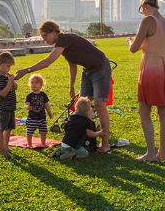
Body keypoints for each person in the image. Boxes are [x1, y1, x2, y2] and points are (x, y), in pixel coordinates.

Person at [15, 20, 113, 152]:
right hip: (88, 70)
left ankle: (105, 143)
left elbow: (48, 61)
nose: (44, 39)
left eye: (45, 35)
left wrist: (26, 70)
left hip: (101, 67)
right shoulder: (63, 46)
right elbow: (72, 65)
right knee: (82, 105)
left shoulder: (64, 38)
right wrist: (71, 86)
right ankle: (83, 138)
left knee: (100, 105)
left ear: (54, 31)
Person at [127, 0, 165, 162]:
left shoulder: (148, 20)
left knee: (144, 111)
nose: (142, 12)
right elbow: (158, 44)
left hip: (151, 69)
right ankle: (161, 153)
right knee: (163, 112)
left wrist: (130, 42)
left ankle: (150, 153)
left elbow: (134, 48)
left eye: (141, 9)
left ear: (145, 6)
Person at [0, 51, 19, 157]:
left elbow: (16, 87)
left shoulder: (6, 76)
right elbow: (3, 93)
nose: (9, 69)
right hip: (3, 108)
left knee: (8, 128)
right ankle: (1, 149)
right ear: (0, 64)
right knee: (1, 129)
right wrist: (9, 82)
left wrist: (12, 80)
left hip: (11, 108)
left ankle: (6, 146)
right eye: (8, 66)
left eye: (10, 67)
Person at [24, 74, 53, 148]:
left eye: (36, 83)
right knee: (30, 132)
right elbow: (26, 104)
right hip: (32, 118)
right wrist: (28, 107)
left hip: (42, 118)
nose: (34, 84)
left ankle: (43, 143)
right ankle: (29, 144)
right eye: (32, 82)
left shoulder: (43, 95)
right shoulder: (29, 95)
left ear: (41, 85)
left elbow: (46, 105)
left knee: (43, 131)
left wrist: (49, 112)